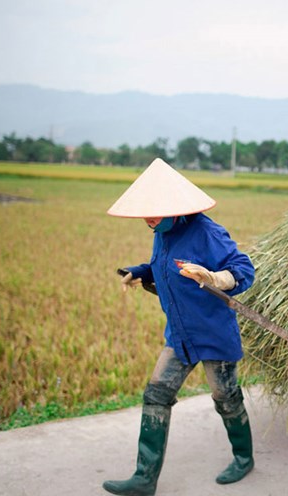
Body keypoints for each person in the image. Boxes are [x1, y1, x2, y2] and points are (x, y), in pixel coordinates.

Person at [102, 158, 256, 495]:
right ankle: (144, 479)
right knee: (156, 394)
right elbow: (163, 266)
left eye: (154, 211)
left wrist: (214, 277)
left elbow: (244, 268)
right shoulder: (162, 231)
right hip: (180, 336)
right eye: (145, 211)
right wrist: (140, 271)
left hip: (213, 334)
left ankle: (244, 458)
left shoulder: (206, 232)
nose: (147, 218)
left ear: (175, 207)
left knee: (225, 397)